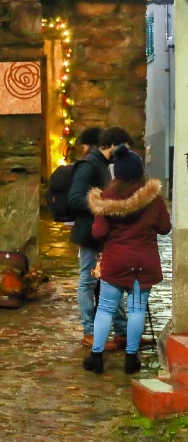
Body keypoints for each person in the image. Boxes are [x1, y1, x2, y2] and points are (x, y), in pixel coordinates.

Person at [83, 145, 171, 374]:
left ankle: (96, 357)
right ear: (140, 172)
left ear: (117, 174)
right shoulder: (154, 198)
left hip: (115, 262)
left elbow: (99, 233)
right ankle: (131, 359)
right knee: (137, 308)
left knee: (105, 309)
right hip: (143, 261)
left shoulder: (106, 199)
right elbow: (164, 227)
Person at [67, 127, 133, 349]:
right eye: (125, 148)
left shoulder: (104, 166)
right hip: (89, 234)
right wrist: (107, 206)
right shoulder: (89, 165)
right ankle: (90, 332)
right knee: (88, 281)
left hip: (104, 234)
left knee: (112, 280)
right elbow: (75, 198)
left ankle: (122, 332)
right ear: (114, 145)